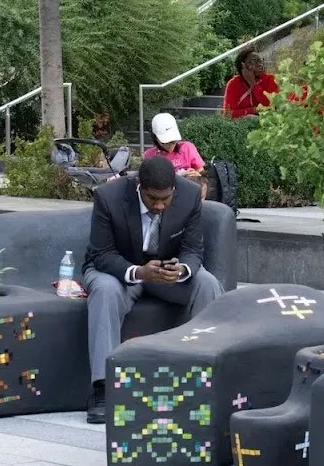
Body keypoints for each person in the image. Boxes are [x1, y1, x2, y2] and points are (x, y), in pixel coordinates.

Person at [81, 157, 224, 423]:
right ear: (139, 186)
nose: (159, 206)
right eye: (152, 199)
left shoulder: (190, 195)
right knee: (105, 291)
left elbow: (193, 250)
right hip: (118, 271)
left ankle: (209, 377)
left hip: (166, 273)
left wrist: (181, 270)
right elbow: (101, 254)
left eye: (165, 199)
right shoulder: (108, 196)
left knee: (208, 284)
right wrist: (138, 272)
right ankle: (103, 388)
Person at [145, 112, 207, 197]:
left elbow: (201, 171)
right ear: (156, 138)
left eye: (174, 142)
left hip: (190, 191)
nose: (170, 146)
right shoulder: (149, 155)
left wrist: (196, 174)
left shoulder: (187, 147)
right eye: (166, 143)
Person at [221, 49, 279, 119]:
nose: (260, 64)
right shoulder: (233, 84)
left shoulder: (270, 79)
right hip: (242, 125)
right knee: (249, 117)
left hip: (268, 122)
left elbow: (270, 105)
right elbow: (228, 115)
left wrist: (252, 83)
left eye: (260, 60)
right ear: (243, 66)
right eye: (253, 61)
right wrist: (254, 110)